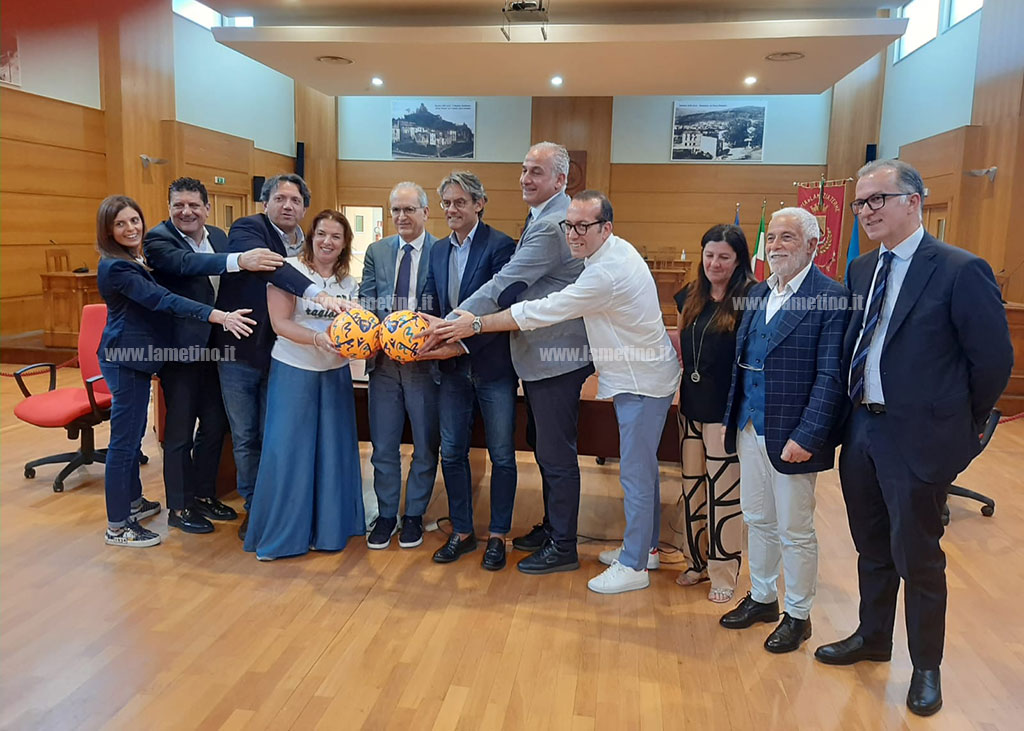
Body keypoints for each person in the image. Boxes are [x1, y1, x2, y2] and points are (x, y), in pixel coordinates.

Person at [814, 160, 1013, 716]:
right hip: (862, 431)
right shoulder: (859, 270)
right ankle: (873, 637)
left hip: (920, 438)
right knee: (871, 546)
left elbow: (993, 362)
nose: (868, 211)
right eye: (861, 203)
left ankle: (926, 667)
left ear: (914, 201)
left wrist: (958, 425)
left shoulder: (958, 269)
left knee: (918, 557)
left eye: (880, 199)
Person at [427, 190, 680, 593]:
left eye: (584, 227)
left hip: (643, 381)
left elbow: (542, 310)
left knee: (635, 473)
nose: (574, 234)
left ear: (606, 228)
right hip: (640, 374)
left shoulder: (603, 273)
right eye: (570, 225)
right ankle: (645, 547)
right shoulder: (611, 253)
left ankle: (634, 565)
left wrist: (473, 324)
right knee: (642, 469)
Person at [425, 142, 593, 575]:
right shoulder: (542, 216)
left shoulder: (553, 223)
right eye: (523, 169)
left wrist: (454, 323)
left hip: (556, 358)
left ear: (560, 180)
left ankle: (565, 545)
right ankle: (553, 527)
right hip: (537, 358)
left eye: (536, 172)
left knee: (555, 455)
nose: (525, 178)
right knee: (543, 449)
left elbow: (508, 282)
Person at [718, 207, 849, 653]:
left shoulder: (830, 297)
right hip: (749, 423)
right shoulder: (756, 293)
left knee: (795, 528)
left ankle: (798, 614)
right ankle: (763, 597)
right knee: (757, 518)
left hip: (794, 433)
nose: (775, 246)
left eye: (787, 238)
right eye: (771, 237)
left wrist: (808, 436)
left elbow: (831, 377)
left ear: (813, 245)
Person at [95, 195, 254, 547]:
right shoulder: (120, 265)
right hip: (129, 357)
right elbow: (161, 300)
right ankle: (118, 525)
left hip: (154, 355)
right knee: (125, 445)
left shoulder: (133, 259)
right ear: (108, 231)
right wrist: (217, 316)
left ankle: (135, 502)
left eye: (134, 220)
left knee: (138, 436)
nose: (131, 228)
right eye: (120, 224)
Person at [143, 177, 285, 535]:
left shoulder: (220, 237)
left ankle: (205, 495)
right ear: (169, 208)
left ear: (207, 208)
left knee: (214, 427)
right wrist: (241, 259)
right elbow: (189, 265)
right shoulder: (158, 240)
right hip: (180, 353)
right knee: (179, 432)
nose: (186, 211)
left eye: (194, 205)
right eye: (178, 205)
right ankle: (179, 506)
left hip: (220, 351)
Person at [213, 174, 345, 540]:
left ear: (304, 207)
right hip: (239, 351)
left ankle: (280, 504)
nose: (288, 205)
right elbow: (274, 268)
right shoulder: (247, 229)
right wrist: (319, 294)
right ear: (265, 202)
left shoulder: (305, 243)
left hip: (282, 355)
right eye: (280, 198)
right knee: (246, 435)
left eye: (295, 200)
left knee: (276, 435)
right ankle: (255, 509)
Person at [244, 210, 365, 560]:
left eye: (336, 237)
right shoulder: (289, 271)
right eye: (322, 234)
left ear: (344, 244)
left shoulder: (349, 283)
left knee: (333, 452)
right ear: (311, 236)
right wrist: (318, 340)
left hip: (335, 374)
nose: (328, 241)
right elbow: (280, 324)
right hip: (294, 370)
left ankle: (329, 532)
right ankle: (283, 536)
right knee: (289, 453)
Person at [419, 171, 518, 570]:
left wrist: (458, 341)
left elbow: (503, 307)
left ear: (479, 203)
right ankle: (461, 531)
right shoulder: (438, 250)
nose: (451, 210)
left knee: (502, 455)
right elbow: (430, 295)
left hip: (493, 366)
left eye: (459, 202)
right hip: (451, 371)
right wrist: (423, 327)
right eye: (446, 203)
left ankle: (498, 536)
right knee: (453, 452)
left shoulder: (501, 246)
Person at [671, 223, 754, 603]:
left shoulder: (751, 299)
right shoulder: (689, 296)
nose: (714, 263)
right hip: (690, 407)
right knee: (691, 490)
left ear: (739, 260)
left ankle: (724, 571)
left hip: (725, 413)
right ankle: (695, 561)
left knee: (724, 495)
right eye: (709, 255)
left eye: (724, 257)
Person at [359, 182, 441, 551]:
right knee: (384, 445)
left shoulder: (442, 250)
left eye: (410, 209)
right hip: (385, 364)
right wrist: (385, 332)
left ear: (425, 212)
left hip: (426, 364)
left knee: (425, 446)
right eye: (396, 210)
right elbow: (366, 297)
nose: (402, 217)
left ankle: (414, 516)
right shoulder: (377, 251)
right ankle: (388, 514)